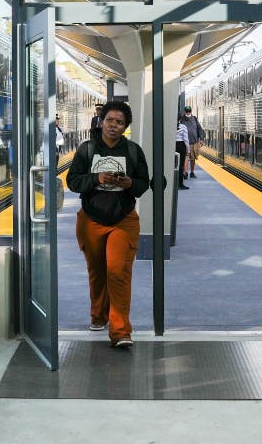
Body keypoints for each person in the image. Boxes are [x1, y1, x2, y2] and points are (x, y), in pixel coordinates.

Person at [65, 100, 150, 349]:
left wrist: (129, 184)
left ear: (126, 127)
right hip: (91, 220)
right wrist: (97, 178)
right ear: (101, 122)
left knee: (118, 272)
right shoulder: (87, 149)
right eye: (110, 120)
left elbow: (143, 183)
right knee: (97, 271)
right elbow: (73, 181)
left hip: (123, 220)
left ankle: (121, 331)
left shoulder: (133, 151)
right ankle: (98, 315)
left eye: (120, 122)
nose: (114, 125)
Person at [179, 106, 205, 178]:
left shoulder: (194, 118)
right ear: (185, 111)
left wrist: (201, 139)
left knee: (193, 158)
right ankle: (185, 173)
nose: (188, 112)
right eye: (187, 111)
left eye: (189, 111)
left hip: (194, 142)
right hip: (185, 142)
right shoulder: (182, 119)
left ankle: (192, 172)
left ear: (191, 111)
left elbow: (199, 129)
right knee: (186, 157)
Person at [174, 119, 190, 190]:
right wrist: (188, 150)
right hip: (181, 146)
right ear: (180, 119)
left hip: (172, 145)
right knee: (180, 165)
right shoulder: (183, 127)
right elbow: (186, 139)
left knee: (172, 165)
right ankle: (180, 184)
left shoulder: (170, 125)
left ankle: (173, 183)